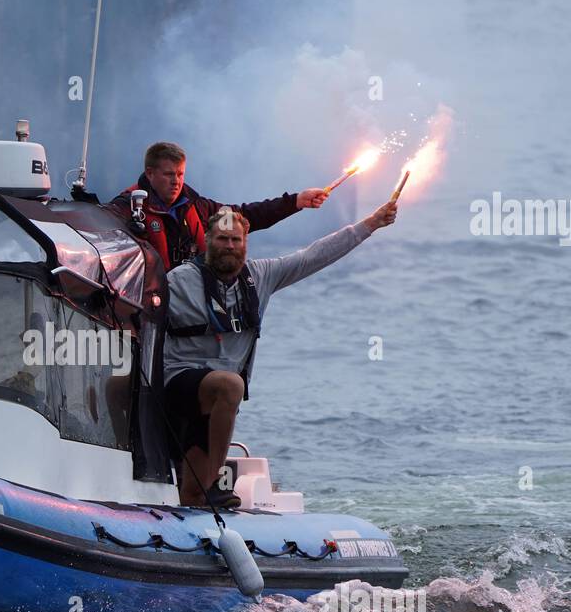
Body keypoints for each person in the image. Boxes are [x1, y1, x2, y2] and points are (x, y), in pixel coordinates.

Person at [163, 200, 398, 508]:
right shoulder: (178, 280)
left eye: (235, 239)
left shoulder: (262, 276)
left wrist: (370, 224)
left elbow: (313, 256)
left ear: (246, 242)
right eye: (222, 239)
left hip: (215, 404)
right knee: (232, 384)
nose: (229, 246)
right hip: (178, 383)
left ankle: (198, 514)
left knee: (192, 496)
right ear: (207, 240)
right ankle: (216, 482)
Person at [107, 141, 329, 270]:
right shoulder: (127, 209)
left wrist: (296, 201)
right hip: (151, 307)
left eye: (180, 174)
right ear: (150, 173)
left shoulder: (200, 209)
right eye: (168, 174)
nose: (176, 181)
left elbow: (246, 215)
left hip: (190, 300)